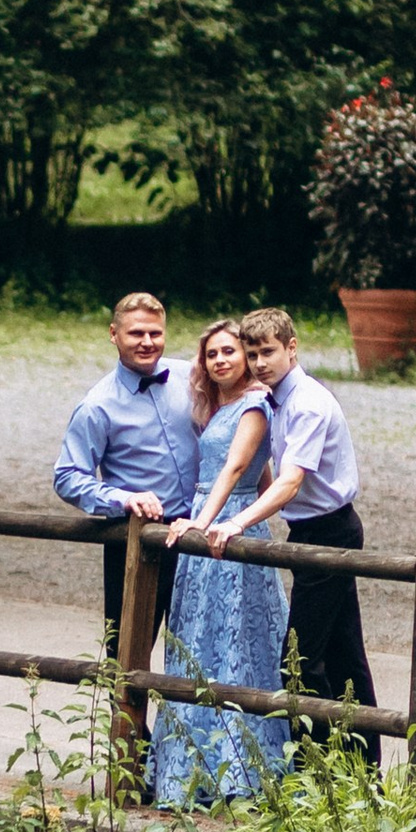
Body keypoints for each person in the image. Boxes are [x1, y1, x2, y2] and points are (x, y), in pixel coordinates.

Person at [202, 305, 377, 745]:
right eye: (253, 354)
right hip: (309, 529)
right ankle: (361, 768)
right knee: (343, 654)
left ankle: (315, 770)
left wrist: (236, 522)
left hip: (329, 530)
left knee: (299, 661)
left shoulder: (307, 404)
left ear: (292, 348)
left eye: (268, 352)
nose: (259, 363)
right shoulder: (276, 399)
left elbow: (291, 480)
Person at [149, 319, 293, 807]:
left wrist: (199, 522)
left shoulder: (254, 404)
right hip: (211, 516)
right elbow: (263, 470)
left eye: (230, 351)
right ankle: (192, 766)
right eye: (212, 354)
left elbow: (236, 469)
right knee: (198, 640)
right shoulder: (220, 406)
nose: (222, 361)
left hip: (226, 524)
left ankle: (243, 771)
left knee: (239, 642)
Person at [54, 289, 199, 648]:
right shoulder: (97, 406)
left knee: (199, 652)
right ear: (113, 334)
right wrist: (123, 499)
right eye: (136, 334)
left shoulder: (191, 378)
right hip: (137, 539)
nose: (148, 342)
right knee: (128, 651)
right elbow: (68, 476)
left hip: (197, 530)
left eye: (156, 333)